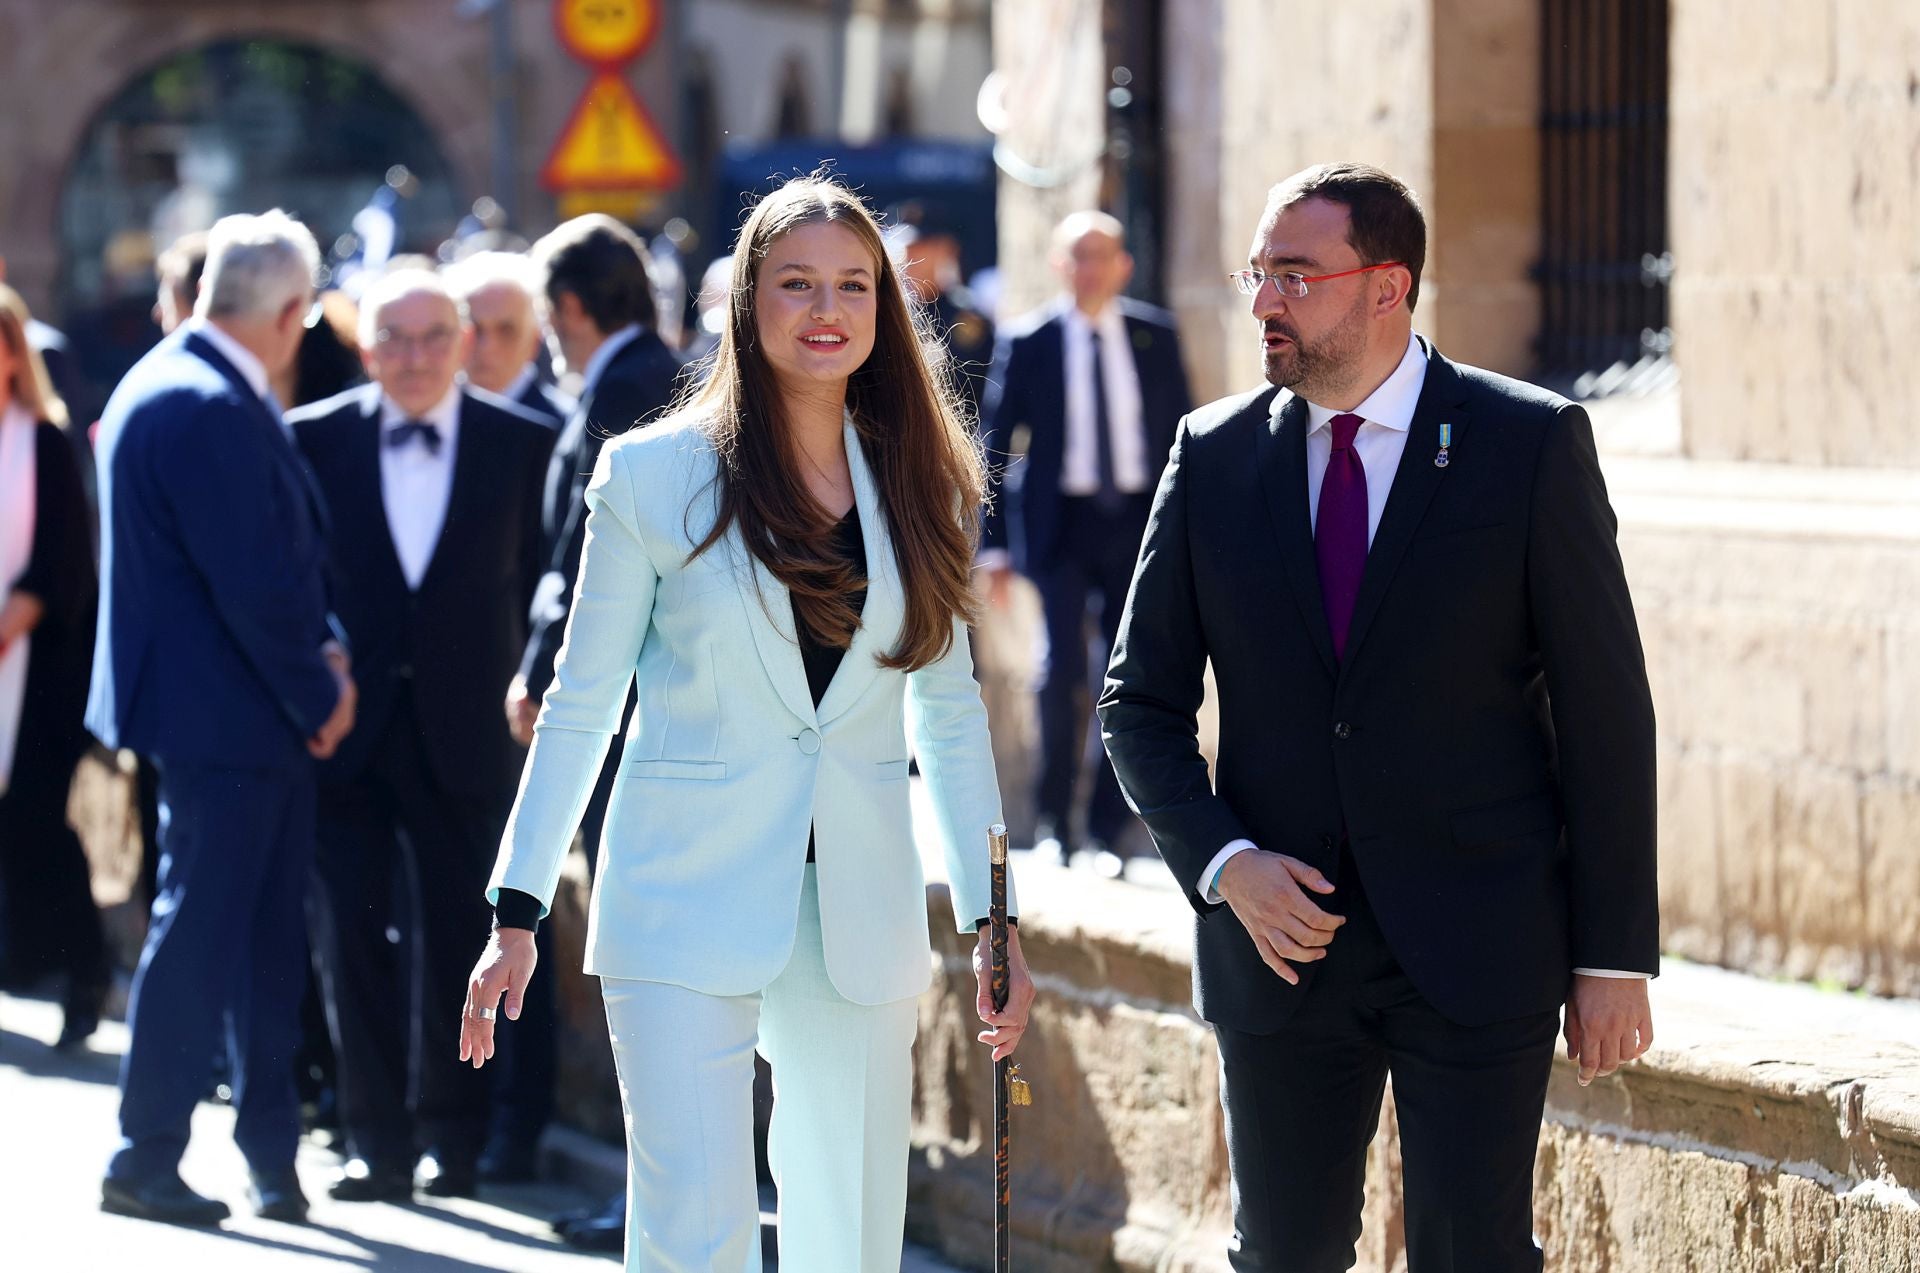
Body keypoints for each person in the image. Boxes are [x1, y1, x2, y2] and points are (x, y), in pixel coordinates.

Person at [459, 175, 1037, 1271]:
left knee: (851, 1233)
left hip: (860, 904)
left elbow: (949, 717)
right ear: (747, 302)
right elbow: (582, 705)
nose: (828, 307)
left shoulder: (929, 488)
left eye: (854, 284)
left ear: (883, 307)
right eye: (797, 282)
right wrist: (516, 906)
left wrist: (989, 918)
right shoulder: (651, 475)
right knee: (693, 1234)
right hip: (679, 893)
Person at [1097, 163, 1659, 1271]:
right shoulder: (1210, 458)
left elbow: (1606, 711)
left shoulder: (1527, 445)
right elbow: (1139, 703)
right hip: (1279, 950)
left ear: (1388, 286)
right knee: (1285, 1255)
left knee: (1474, 1255)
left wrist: (1613, 954)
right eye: (1258, 274)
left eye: (1295, 277)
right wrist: (1224, 863)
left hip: (1481, 939)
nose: (1263, 302)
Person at [86, 210, 357, 1227]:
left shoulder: (178, 382)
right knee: (210, 934)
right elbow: (256, 580)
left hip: (229, 716)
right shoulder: (206, 402)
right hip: (235, 721)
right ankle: (148, 1151)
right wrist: (323, 687)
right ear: (290, 314)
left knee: (248, 940)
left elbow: (262, 566)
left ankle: (264, 1156)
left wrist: (312, 669)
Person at [287, 269, 555, 1201]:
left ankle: (456, 1135)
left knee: (458, 936)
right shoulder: (310, 439)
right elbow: (290, 580)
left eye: (433, 336)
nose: (413, 356)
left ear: (466, 341)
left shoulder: (527, 443)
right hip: (345, 734)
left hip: (470, 729)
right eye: (392, 338)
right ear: (365, 349)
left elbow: (549, 585)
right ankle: (376, 1142)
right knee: (349, 938)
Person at [980, 210, 1193, 875]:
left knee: (1125, 676)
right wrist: (991, 548)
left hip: (1136, 521)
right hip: (1060, 527)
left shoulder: (1154, 335)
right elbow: (994, 444)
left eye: (1103, 255)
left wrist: (1192, 532)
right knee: (1061, 672)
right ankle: (1053, 824)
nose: (1092, 268)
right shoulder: (1031, 339)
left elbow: (1187, 437)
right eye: (1079, 255)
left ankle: (1107, 831)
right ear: (1059, 266)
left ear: (1124, 264)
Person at [505, 214, 681, 751]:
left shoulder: (623, 391)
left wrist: (541, 673)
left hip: (625, 690)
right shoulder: (661, 372)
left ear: (571, 308)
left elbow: (587, 541)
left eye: (546, 312)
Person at [0, 284, 106, 1051]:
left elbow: (66, 560)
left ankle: (82, 974)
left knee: (37, 826)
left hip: (33, 673)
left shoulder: (40, 441)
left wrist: (11, 622)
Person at [444, 250, 574, 427]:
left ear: (535, 341)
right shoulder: (429, 419)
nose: (487, 346)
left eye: (506, 330)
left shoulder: (567, 425)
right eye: (474, 329)